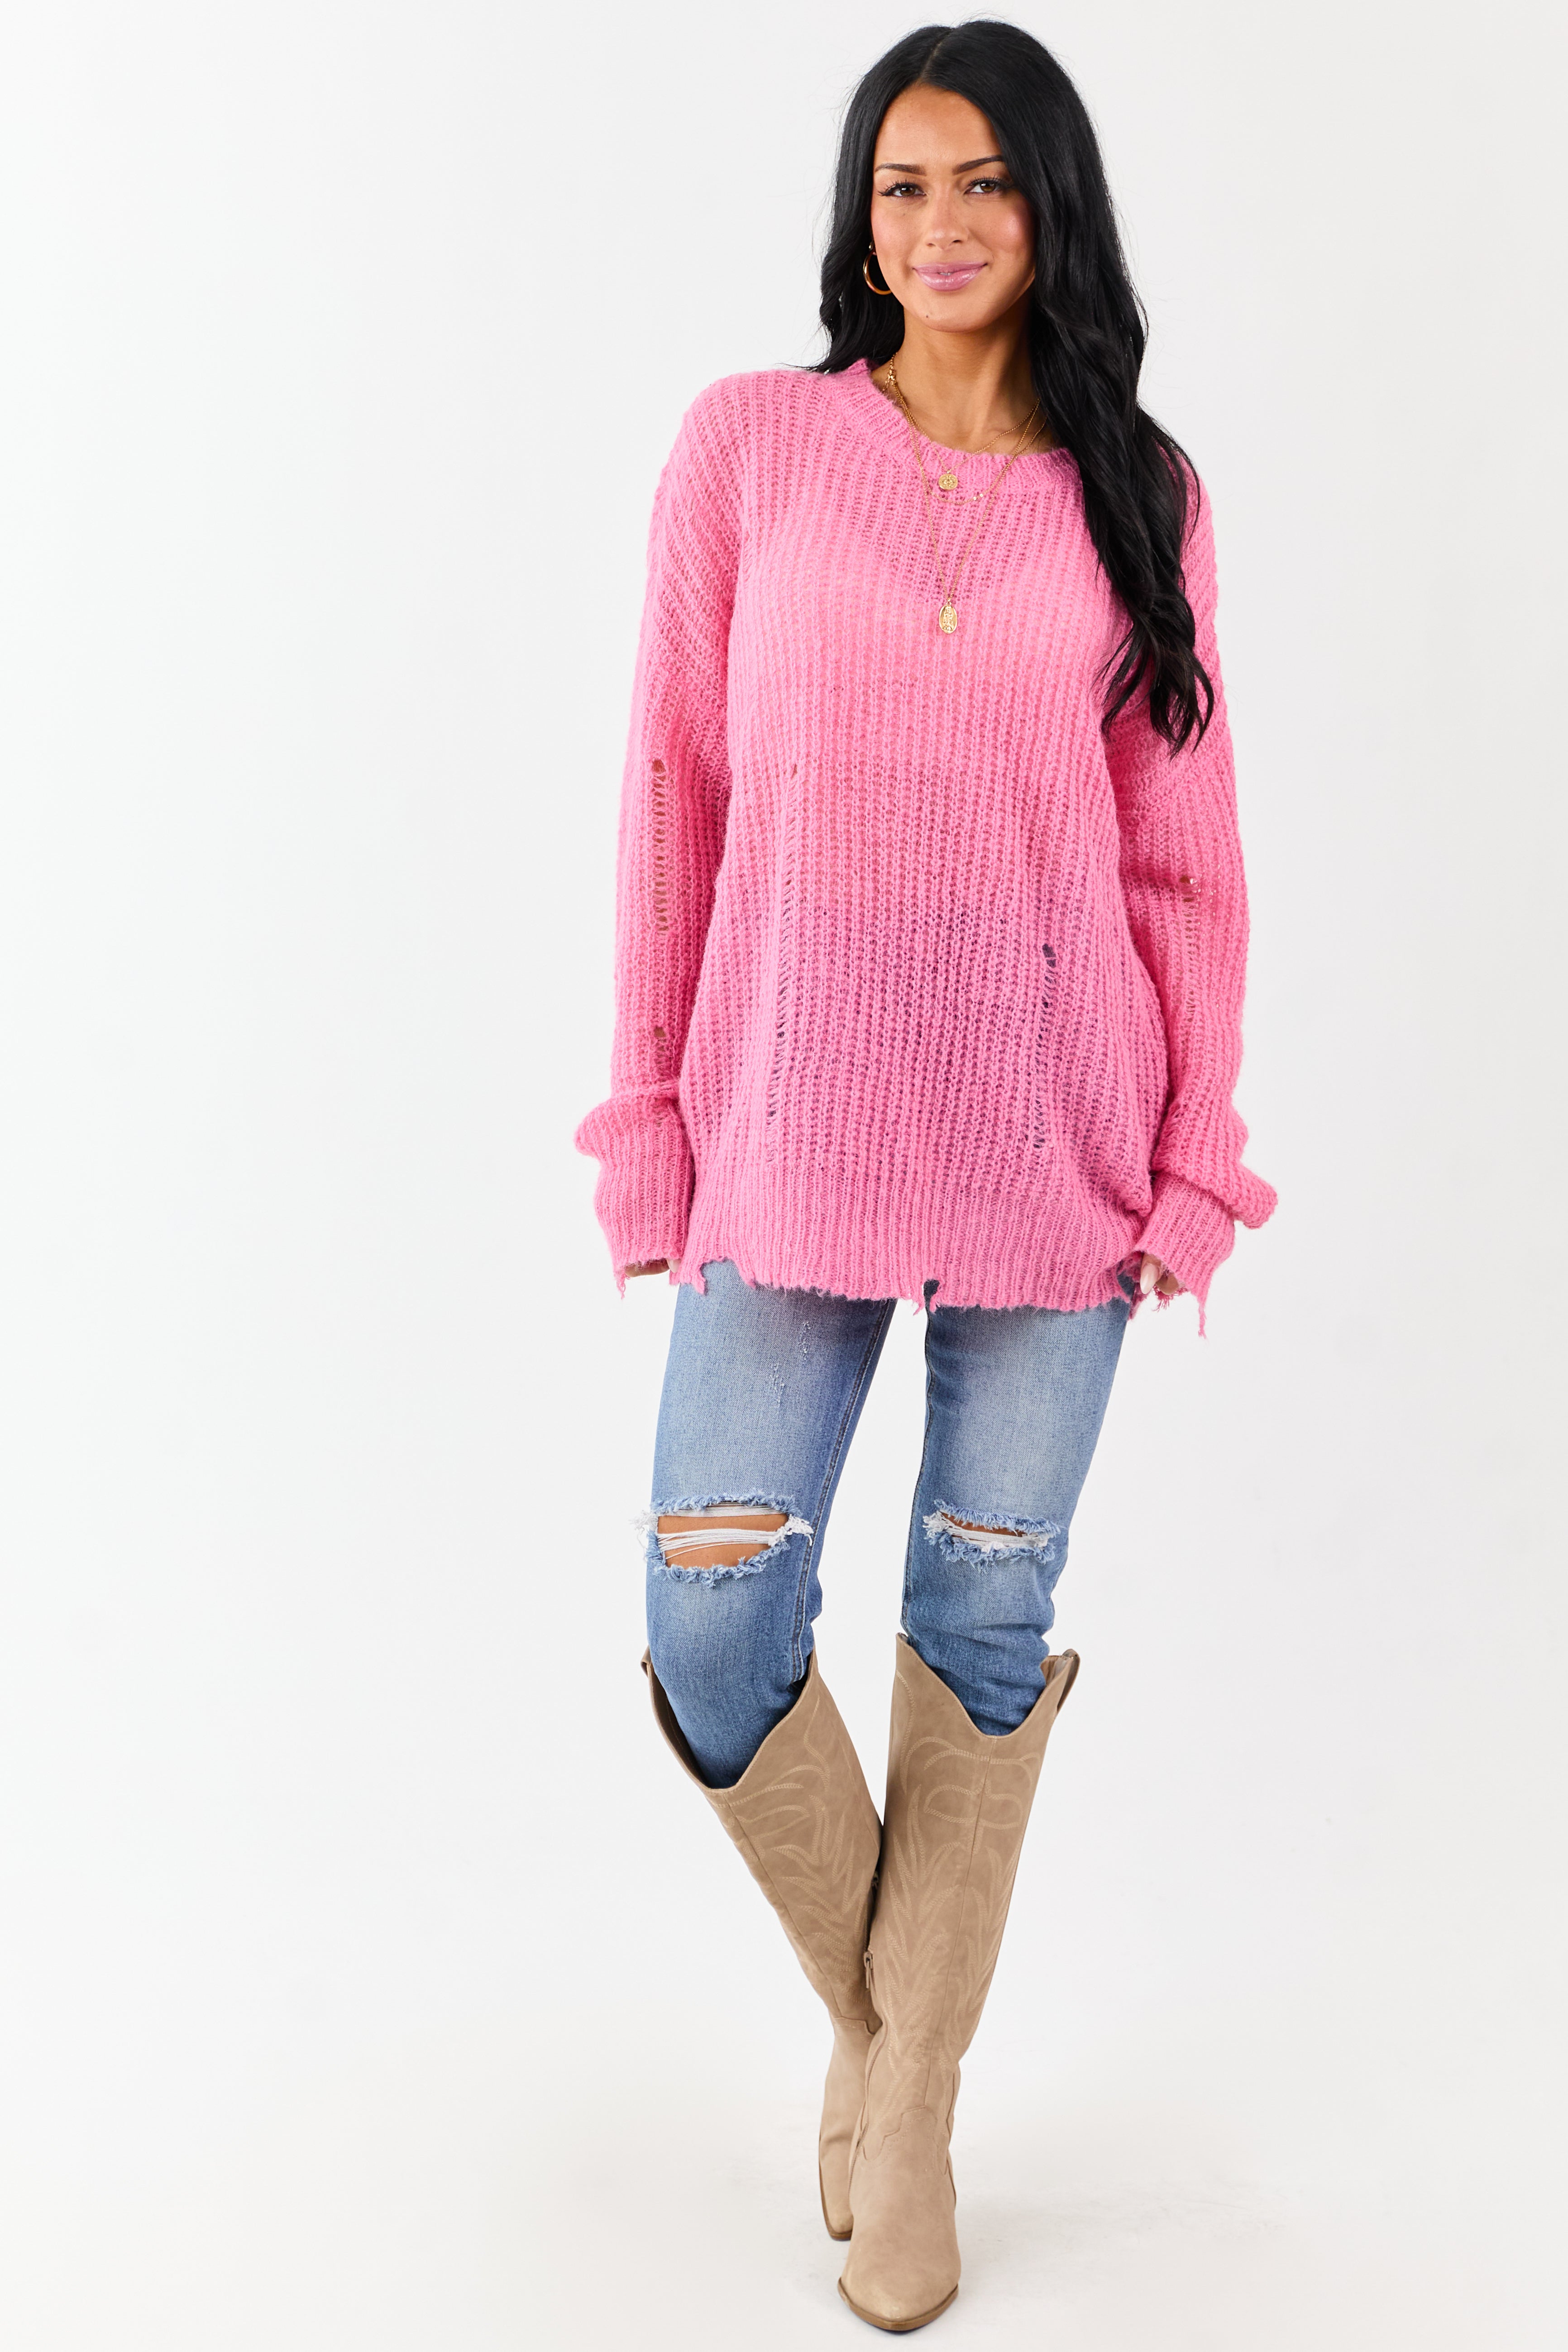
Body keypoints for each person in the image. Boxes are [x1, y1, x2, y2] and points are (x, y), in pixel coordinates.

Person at [573, 19, 1275, 2333]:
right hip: (782, 1140)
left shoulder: (1137, 494)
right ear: (856, 219)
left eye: (981, 183)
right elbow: (669, 795)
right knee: (710, 1629)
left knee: (978, 1630)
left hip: (1058, 1162)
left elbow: (1181, 865)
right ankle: (893, 2046)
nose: (940, 223)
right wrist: (650, 1124)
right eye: (900, 184)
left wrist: (1187, 1159)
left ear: (1047, 209)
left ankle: (906, 2124)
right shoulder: (749, 452)